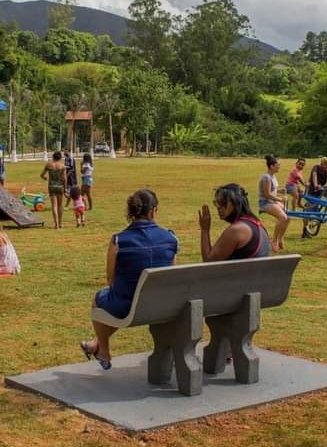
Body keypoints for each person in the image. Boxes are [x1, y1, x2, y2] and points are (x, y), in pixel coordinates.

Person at [81, 189, 177, 370]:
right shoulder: (170, 238)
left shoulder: (119, 240)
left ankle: (104, 351)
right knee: (125, 300)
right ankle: (96, 344)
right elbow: (170, 273)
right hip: (162, 305)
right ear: (152, 211)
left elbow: (111, 279)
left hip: (128, 305)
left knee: (100, 299)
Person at [198, 183, 272, 261]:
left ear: (235, 203)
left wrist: (205, 229)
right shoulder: (255, 223)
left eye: (222, 203)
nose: (218, 207)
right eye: (217, 203)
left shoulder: (237, 230)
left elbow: (209, 261)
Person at [257, 154, 288, 252]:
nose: (279, 167)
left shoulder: (273, 176)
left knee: (289, 216)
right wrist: (279, 199)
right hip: (265, 203)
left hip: (272, 201)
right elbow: (267, 195)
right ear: (272, 166)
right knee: (283, 217)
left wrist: (280, 190)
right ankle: (274, 241)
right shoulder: (266, 178)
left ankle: (280, 238)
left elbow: (272, 190)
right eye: (277, 165)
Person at [40, 151, 67, 229]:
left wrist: (44, 178)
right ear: (60, 158)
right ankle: (61, 223)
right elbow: (64, 179)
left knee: (54, 206)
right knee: (60, 206)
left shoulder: (49, 165)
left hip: (51, 186)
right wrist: (65, 189)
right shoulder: (63, 166)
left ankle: (56, 225)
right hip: (60, 186)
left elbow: (42, 175)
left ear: (53, 157)